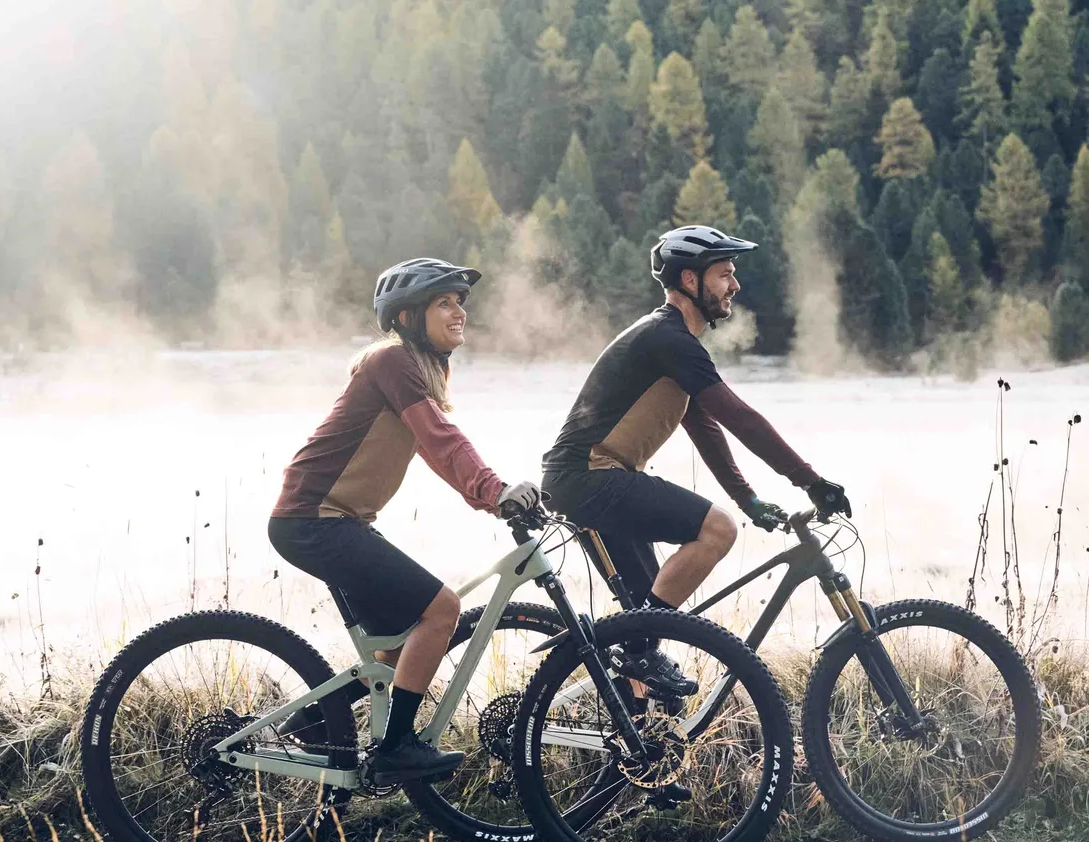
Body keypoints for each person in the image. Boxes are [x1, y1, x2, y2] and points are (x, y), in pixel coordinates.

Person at [541, 226, 852, 696]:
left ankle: (625, 753)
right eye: (725, 274)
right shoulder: (669, 338)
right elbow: (740, 418)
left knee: (643, 623)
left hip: (593, 480)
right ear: (690, 279)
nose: (735, 286)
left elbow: (706, 426)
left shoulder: (672, 342)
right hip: (588, 478)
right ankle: (640, 655)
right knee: (716, 531)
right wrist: (810, 481)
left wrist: (749, 498)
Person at [268, 258, 541, 781]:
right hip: (315, 520)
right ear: (410, 315)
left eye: (460, 302)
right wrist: (495, 490)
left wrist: (492, 496)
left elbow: (438, 450)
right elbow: (443, 441)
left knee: (395, 649)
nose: (459, 311)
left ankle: (313, 723)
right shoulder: (393, 361)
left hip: (328, 521)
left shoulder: (418, 366)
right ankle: (395, 750)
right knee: (441, 610)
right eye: (445, 302)